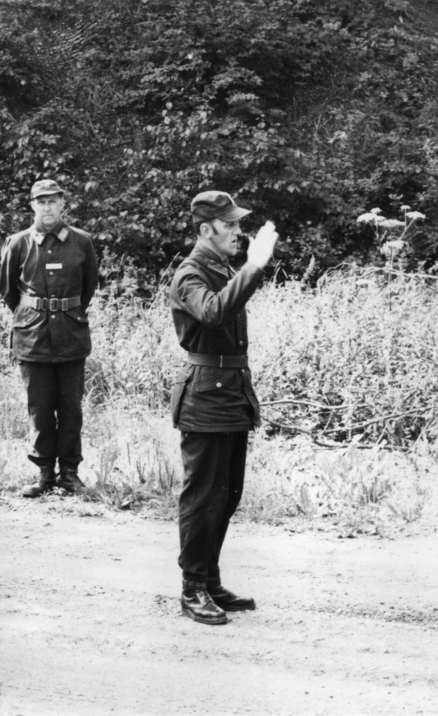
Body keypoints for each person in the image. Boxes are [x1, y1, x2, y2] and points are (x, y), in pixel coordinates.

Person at [167, 190, 277, 625]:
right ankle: (192, 588)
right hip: (206, 398)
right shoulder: (190, 274)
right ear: (205, 229)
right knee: (203, 498)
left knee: (227, 496)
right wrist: (254, 266)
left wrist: (247, 268)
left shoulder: (221, 268)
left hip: (229, 392)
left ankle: (209, 580)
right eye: (229, 224)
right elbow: (213, 313)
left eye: (238, 223)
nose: (238, 231)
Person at [0, 179, 98, 497]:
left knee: (71, 410)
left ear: (62, 203)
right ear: (32, 205)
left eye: (52, 201)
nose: (47, 207)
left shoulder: (82, 242)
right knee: (40, 410)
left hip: (71, 336)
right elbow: (8, 290)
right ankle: (44, 474)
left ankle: (69, 474)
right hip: (33, 338)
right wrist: (33, 314)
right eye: (41, 202)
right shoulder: (18, 243)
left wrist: (67, 311)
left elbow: (89, 287)